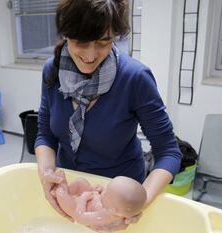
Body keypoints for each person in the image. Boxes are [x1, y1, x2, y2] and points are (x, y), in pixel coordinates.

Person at [35, 0, 182, 230]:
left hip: (117, 200)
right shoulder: (52, 70)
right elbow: (45, 133)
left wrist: (139, 202)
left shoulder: (135, 78)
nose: (91, 55)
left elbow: (169, 152)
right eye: (80, 42)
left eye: (104, 42)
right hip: (72, 188)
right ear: (66, 34)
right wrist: (46, 173)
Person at [52, 169, 146, 230]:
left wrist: (83, 198)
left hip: (77, 208)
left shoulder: (104, 217)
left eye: (106, 192)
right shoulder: (115, 207)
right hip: (91, 198)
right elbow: (107, 198)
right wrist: (100, 190)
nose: (104, 190)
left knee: (61, 194)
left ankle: (61, 186)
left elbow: (80, 218)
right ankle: (67, 190)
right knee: (81, 182)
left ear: (113, 210)